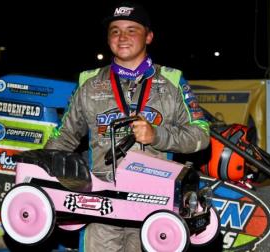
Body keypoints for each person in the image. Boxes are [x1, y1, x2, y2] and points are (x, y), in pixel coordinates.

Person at [44, 1, 210, 251]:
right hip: (101, 203)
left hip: (155, 206)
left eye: (132, 30)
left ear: (149, 36)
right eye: (115, 30)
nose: (122, 37)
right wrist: (39, 173)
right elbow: (64, 137)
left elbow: (201, 134)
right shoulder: (89, 83)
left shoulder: (172, 81)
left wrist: (157, 136)